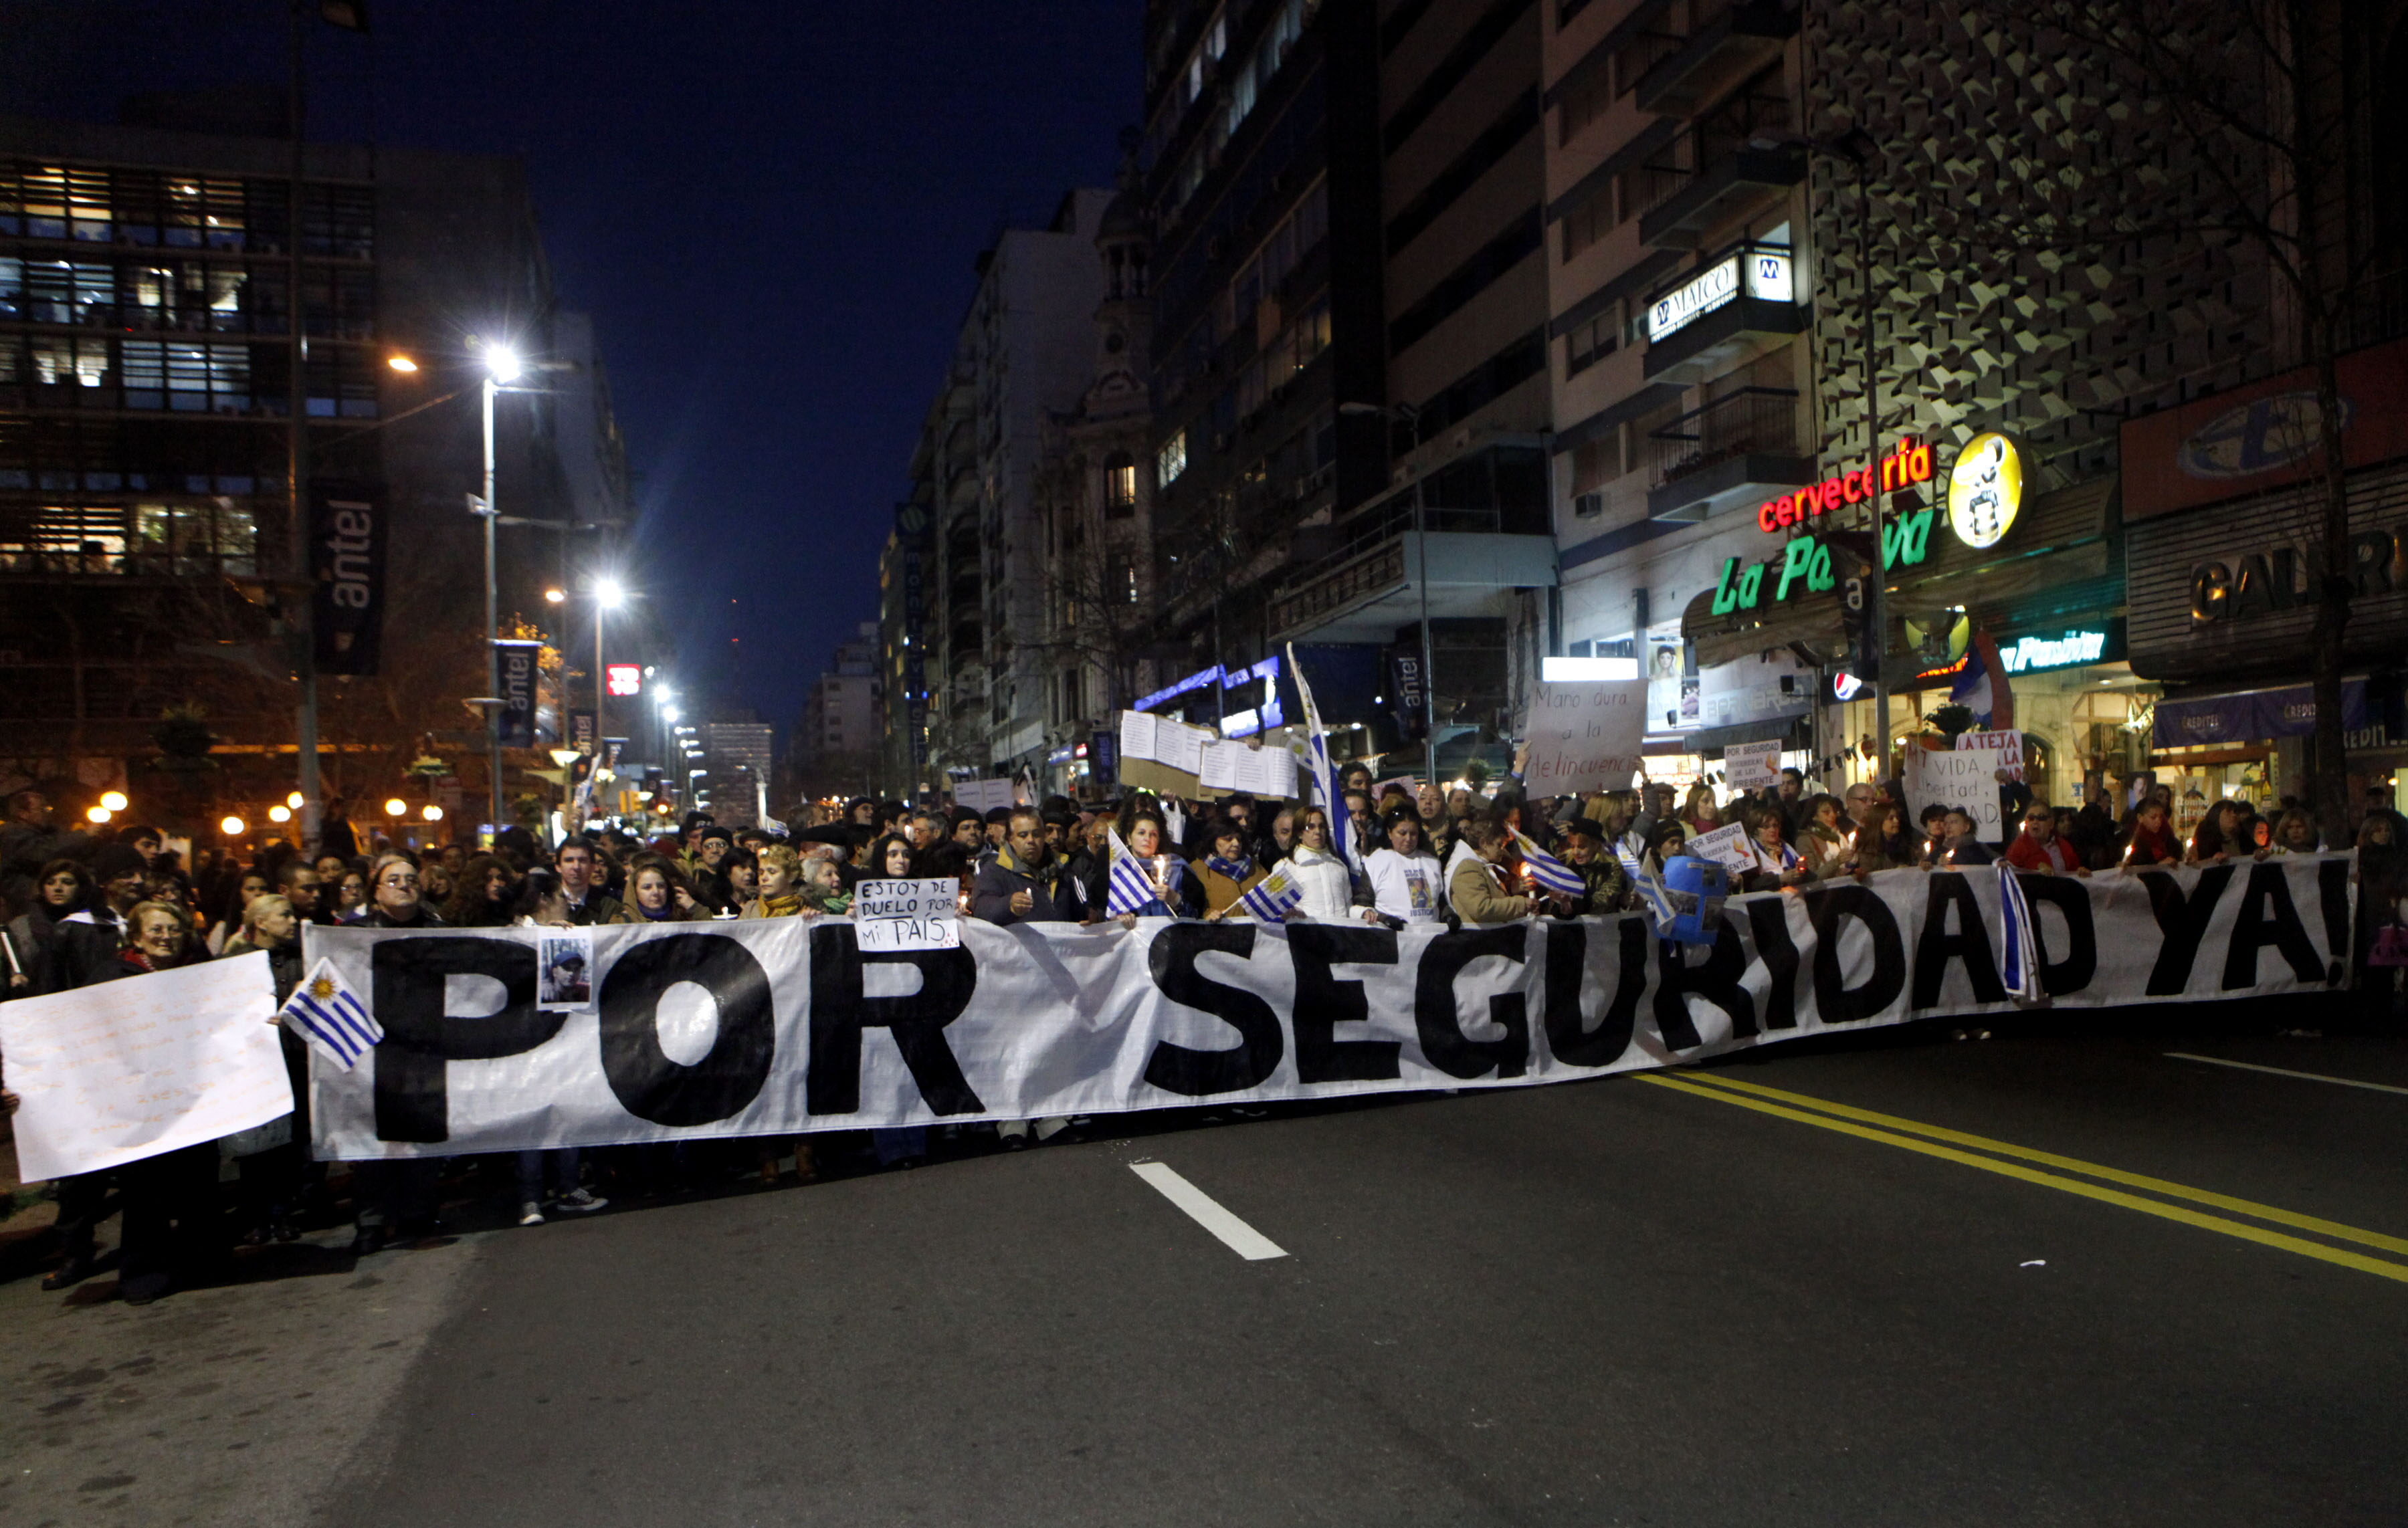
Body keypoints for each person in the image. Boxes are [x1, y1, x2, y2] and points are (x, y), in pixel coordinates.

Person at [43, 900, 221, 1302]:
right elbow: (86, 1031)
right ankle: (143, 1273)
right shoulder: (111, 974)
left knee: (198, 1183)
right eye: (156, 930)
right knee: (146, 1191)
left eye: (174, 929)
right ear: (137, 936)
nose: (166, 937)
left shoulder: (201, 972)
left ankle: (199, 1260)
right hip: (141, 1102)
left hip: (194, 1097)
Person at [37, 843, 149, 994]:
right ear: (104, 882)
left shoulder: (152, 924)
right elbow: (50, 986)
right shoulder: (72, 929)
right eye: (127, 875)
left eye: (142, 875)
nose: (138, 881)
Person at [971, 808, 1082, 925]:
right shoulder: (995, 870)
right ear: (1010, 839)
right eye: (1023, 835)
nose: (1031, 840)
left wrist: (1090, 918)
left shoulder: (1062, 867)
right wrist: (1009, 905)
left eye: (1036, 834)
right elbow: (982, 909)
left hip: (1060, 941)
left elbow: (1081, 910)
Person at [5, 857, 88, 996]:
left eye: (67, 883)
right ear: (42, 889)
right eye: (50, 883)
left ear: (81, 888)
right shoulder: (21, 927)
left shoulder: (92, 924)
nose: (58, 888)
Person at [0, 787, 92, 908]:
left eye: (48, 808)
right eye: (42, 809)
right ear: (23, 814)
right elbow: (42, 854)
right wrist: (84, 835)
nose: (48, 812)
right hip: (28, 899)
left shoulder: (50, 832)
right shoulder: (13, 835)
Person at [1449, 816, 1544, 926]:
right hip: (1478, 939)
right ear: (1484, 843)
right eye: (1499, 845)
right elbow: (1481, 909)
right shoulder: (1468, 868)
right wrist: (1522, 904)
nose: (1502, 850)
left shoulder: (1481, 866)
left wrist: (1512, 891)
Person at [1362, 807, 1445, 927]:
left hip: (1430, 938)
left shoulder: (1432, 862)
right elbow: (1363, 904)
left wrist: (1448, 916)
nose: (1408, 839)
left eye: (1413, 834)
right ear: (1389, 833)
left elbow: (1441, 902)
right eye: (1402, 833)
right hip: (1393, 939)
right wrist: (1385, 919)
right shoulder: (1375, 862)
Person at [1281, 806, 1367, 923]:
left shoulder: (1339, 866)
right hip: (1307, 935)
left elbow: (1347, 908)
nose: (1317, 831)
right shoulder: (1287, 866)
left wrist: (1363, 913)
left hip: (1340, 936)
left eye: (1321, 826)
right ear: (1300, 833)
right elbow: (1280, 909)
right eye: (1310, 827)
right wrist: (1293, 912)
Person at [1114, 810, 1193, 921]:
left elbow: (1196, 914)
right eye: (1141, 833)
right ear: (1129, 838)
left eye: (1153, 834)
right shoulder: (1118, 871)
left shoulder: (1176, 868)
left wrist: (1176, 900)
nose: (1147, 839)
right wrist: (1117, 917)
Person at [1188, 818, 1267, 920]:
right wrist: (1208, 915)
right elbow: (1191, 909)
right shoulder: (1198, 869)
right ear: (1213, 841)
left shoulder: (1256, 868)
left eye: (1239, 839)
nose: (1236, 844)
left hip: (1255, 933)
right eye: (1228, 839)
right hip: (1218, 933)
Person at [1556, 818, 1631, 913]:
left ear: (1595, 845)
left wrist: (1573, 904)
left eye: (1582, 847)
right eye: (1572, 847)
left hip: (1602, 925)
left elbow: (1605, 899)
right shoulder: (1565, 864)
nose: (1575, 852)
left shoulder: (1611, 866)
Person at [1734, 808, 1814, 893]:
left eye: (1775, 825)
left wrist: (1803, 871)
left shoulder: (1787, 848)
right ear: (1755, 830)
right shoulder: (1751, 851)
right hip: (1768, 904)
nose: (1773, 830)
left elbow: (1811, 878)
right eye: (1766, 827)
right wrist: (1779, 879)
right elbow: (1751, 884)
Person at [2003, 803, 2088, 875]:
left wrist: (2081, 872)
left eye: (2041, 818)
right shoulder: (2018, 848)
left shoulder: (2063, 845)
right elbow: (2009, 875)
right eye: (2031, 818)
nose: (2035, 821)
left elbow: (2074, 871)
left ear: (2051, 823)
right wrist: (2037, 868)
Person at [626, 855, 710, 921]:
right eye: (647, 887)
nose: (656, 892)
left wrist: (693, 907)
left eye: (661, 886)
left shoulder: (682, 916)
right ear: (634, 891)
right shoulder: (622, 922)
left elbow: (713, 932)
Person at [740, 845, 811, 919]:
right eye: (761, 873)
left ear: (791, 876)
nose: (764, 878)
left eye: (772, 872)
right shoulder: (751, 909)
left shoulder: (808, 907)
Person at [1793, 794, 1851, 877]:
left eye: (1835, 812)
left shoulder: (1839, 837)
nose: (1832, 815)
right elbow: (1811, 877)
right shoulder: (1805, 840)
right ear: (1814, 815)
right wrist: (1837, 862)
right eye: (1826, 812)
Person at [2120, 796, 2181, 869]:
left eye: (2161, 817)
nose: (2158, 822)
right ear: (2140, 818)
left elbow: (2176, 851)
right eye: (2153, 817)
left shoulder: (2164, 837)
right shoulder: (2129, 839)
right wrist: (2158, 865)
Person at [1930, 807, 1995, 867]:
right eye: (1946, 823)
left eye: (1953, 822)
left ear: (1966, 827)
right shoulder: (1939, 851)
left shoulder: (1979, 849)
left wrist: (1951, 863)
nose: (1948, 826)